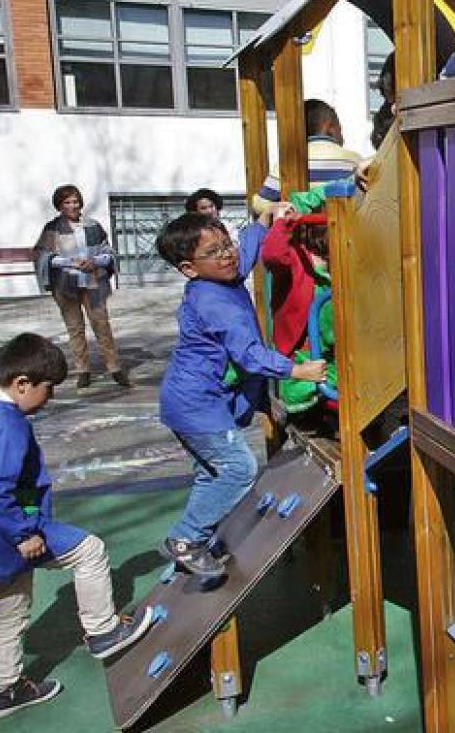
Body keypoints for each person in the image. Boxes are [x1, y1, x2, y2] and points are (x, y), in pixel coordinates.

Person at [0, 333, 156, 719]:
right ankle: (103, 630)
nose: (50, 397)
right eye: (47, 388)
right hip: (2, 531)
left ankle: (3, 690)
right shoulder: (7, 424)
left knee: (10, 605)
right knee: (89, 551)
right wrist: (23, 532)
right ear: (21, 383)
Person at [153, 210, 327, 581]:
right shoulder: (212, 301)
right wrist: (297, 370)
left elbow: (247, 248)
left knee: (210, 472)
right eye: (214, 252)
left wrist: (263, 220)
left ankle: (201, 531)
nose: (228, 254)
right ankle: (186, 539)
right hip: (197, 403)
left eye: (226, 244)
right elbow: (248, 354)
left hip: (191, 400)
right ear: (188, 269)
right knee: (238, 468)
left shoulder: (223, 273)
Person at [260, 183, 357, 433]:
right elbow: (272, 255)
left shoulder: (345, 261)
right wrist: (284, 220)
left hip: (338, 349)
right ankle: (306, 415)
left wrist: (352, 181)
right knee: (309, 391)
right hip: (306, 352)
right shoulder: (295, 260)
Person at [33, 184, 124, 388]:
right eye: (67, 202)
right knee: (75, 328)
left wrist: (96, 262)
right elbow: (43, 255)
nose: (72, 206)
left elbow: (107, 250)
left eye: (75, 201)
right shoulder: (52, 228)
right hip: (66, 285)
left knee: (102, 324)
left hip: (92, 281)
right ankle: (82, 370)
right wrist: (70, 262)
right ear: (59, 206)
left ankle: (114, 368)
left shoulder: (93, 225)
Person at [251, 99, 364, 215]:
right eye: (340, 126)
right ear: (330, 127)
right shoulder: (354, 161)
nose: (342, 133)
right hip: (345, 230)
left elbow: (260, 203)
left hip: (298, 230)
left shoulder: (287, 164)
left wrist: (287, 208)